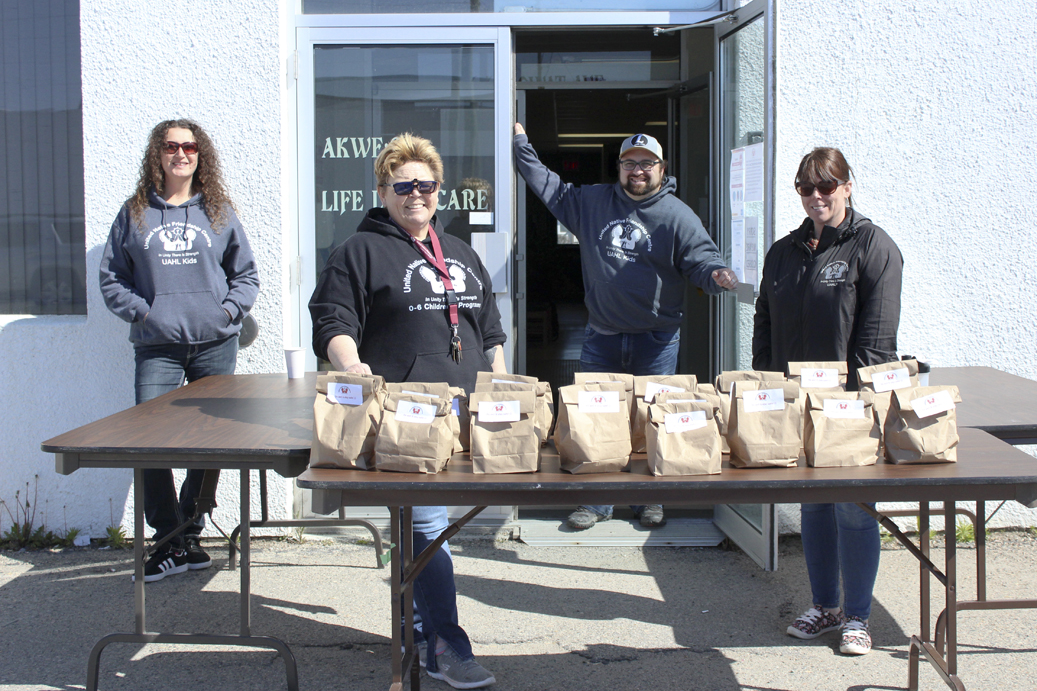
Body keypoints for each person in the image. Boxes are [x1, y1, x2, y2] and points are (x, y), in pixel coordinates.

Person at [309, 133, 503, 689]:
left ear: (439, 192)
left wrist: (501, 388)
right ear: (383, 190)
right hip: (408, 418)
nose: (415, 194)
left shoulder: (460, 252)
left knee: (422, 530)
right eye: (403, 185)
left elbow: (489, 332)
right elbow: (334, 322)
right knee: (426, 525)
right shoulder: (358, 251)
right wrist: (353, 368)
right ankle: (445, 645)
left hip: (465, 415)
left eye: (425, 185)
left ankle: (412, 635)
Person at [514, 124, 739, 530]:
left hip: (657, 339)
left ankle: (647, 501)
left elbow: (703, 259)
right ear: (619, 167)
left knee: (652, 421)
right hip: (601, 334)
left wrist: (716, 275)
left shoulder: (677, 214)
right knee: (597, 418)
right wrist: (520, 146)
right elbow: (548, 186)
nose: (638, 170)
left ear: (661, 168)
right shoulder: (592, 201)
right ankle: (598, 502)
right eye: (629, 163)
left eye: (646, 163)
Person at [752, 147, 903, 655]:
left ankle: (858, 617)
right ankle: (826, 606)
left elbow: (878, 339)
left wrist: (855, 405)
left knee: (854, 510)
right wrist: (769, 388)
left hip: (847, 406)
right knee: (814, 504)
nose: (816, 197)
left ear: (847, 186)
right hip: (796, 403)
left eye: (826, 187)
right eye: (805, 188)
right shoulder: (784, 251)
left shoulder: (873, 247)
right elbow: (765, 321)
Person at [100, 119, 259, 581]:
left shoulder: (218, 211)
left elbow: (245, 275)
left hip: (215, 344)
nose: (181, 153)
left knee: (211, 444)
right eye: (171, 145)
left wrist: (227, 313)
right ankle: (167, 535)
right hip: (157, 347)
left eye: (189, 146)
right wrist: (145, 314)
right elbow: (112, 279)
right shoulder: (134, 213)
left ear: (199, 154)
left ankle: (191, 526)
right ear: (158, 153)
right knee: (149, 443)